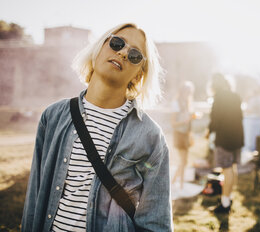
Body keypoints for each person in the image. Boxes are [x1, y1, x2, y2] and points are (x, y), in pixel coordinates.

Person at [21, 23, 173, 231]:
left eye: (135, 55)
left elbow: (156, 222)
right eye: (117, 43)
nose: (123, 53)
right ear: (99, 48)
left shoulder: (150, 136)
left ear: (138, 75)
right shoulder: (53, 116)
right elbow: (36, 196)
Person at [207, 73, 244, 214]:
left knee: (227, 169)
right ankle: (228, 197)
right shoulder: (235, 96)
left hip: (225, 139)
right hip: (238, 137)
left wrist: (208, 132)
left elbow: (215, 121)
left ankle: (225, 204)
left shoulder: (218, 98)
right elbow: (240, 117)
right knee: (232, 168)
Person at [171, 81, 195, 190]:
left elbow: (188, 121)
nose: (188, 94)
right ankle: (180, 185)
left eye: (190, 92)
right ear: (182, 91)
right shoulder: (176, 103)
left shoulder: (187, 103)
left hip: (186, 134)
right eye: (187, 92)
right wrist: (185, 121)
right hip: (179, 134)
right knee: (183, 161)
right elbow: (173, 123)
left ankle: (174, 182)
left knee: (184, 161)